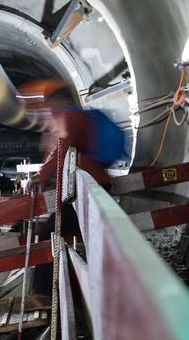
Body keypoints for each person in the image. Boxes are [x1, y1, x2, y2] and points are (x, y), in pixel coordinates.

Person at [23, 81, 126, 298]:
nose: (45, 108)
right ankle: (80, 290)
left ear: (56, 101)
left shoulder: (69, 118)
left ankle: (45, 294)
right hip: (88, 188)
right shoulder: (72, 117)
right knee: (77, 237)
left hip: (84, 191)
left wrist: (41, 175)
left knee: (49, 234)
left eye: (47, 103)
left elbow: (63, 146)